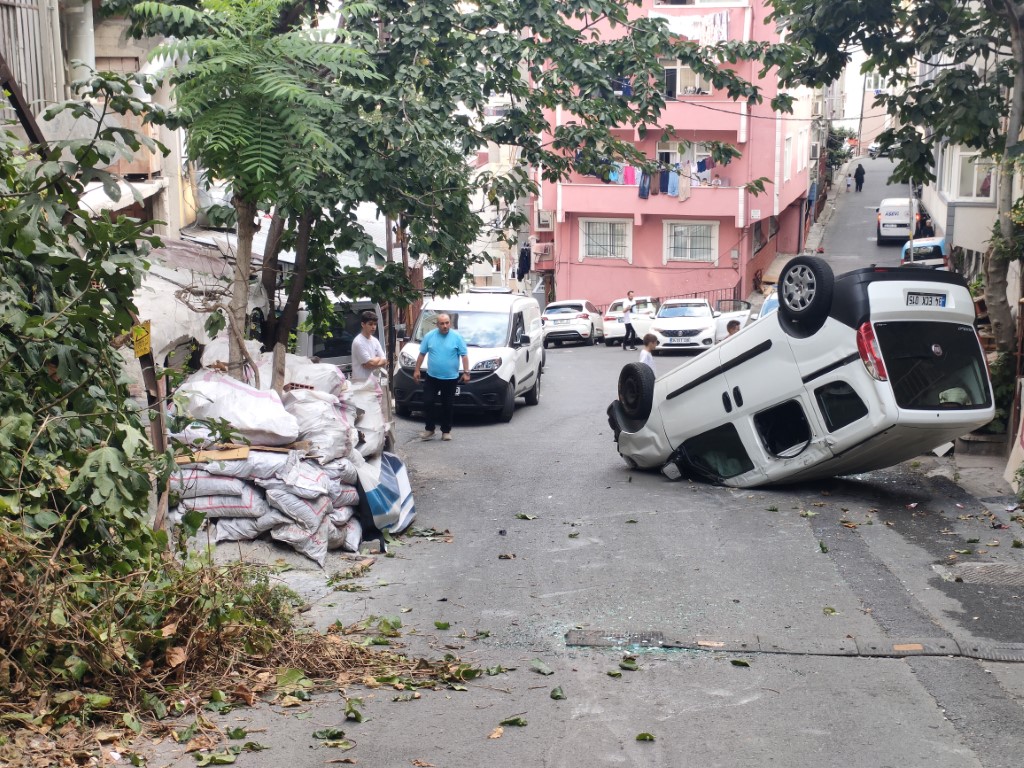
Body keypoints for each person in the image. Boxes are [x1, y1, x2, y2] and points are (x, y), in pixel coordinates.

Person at [413, 313, 470, 441]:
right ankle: (430, 429)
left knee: (447, 405)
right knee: (427, 402)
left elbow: (464, 355)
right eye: (442, 323)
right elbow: (422, 354)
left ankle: (446, 431)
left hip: (450, 378)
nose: (445, 326)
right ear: (437, 324)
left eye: (447, 323)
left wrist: (466, 373)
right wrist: (417, 370)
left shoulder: (456, 337)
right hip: (432, 377)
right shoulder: (429, 336)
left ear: (450, 323)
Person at [350, 310, 387, 383]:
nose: (373, 327)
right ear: (363, 324)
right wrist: (377, 360)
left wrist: (373, 362)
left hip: (374, 382)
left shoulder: (375, 341)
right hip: (361, 384)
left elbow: (384, 361)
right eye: (370, 324)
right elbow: (370, 363)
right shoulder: (358, 342)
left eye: (375, 324)